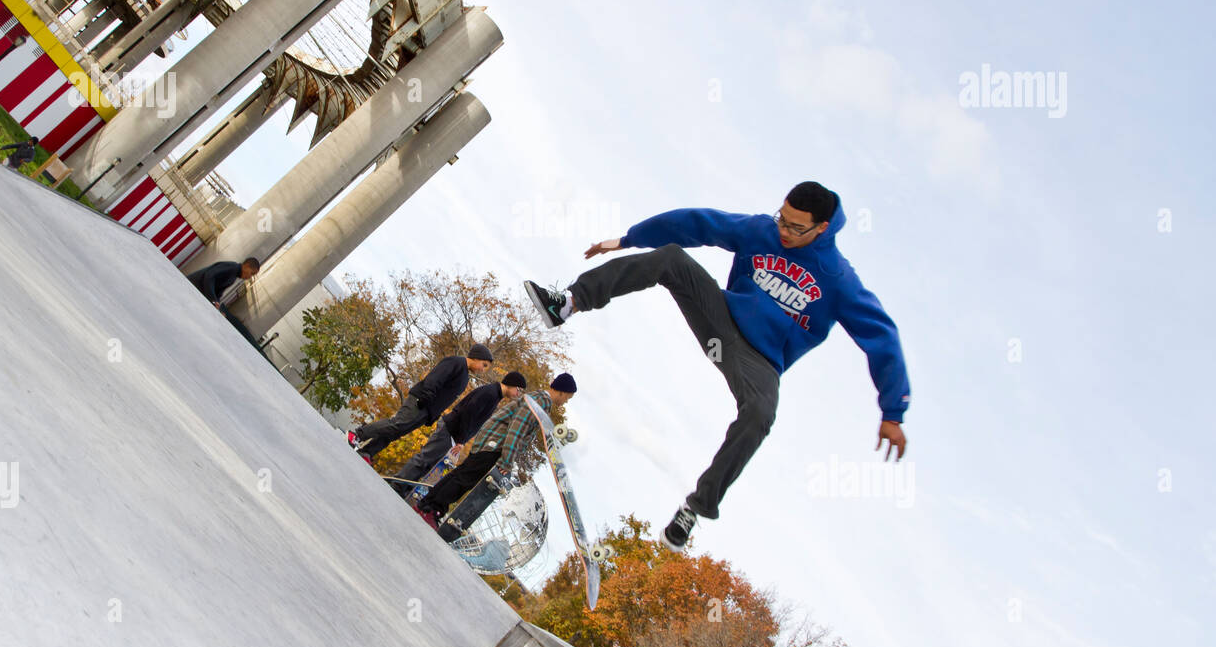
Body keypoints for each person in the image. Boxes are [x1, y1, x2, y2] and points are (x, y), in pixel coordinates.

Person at [522, 181, 910, 552]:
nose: (784, 232)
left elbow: (881, 335)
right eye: (782, 219)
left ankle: (695, 509)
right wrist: (628, 239)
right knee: (672, 258)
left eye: (795, 227)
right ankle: (568, 303)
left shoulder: (839, 281)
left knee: (760, 412)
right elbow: (697, 223)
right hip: (720, 319)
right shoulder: (761, 230)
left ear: (822, 228)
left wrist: (893, 411)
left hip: (758, 363)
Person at [416, 373, 577, 538]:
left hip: (490, 441)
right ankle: (432, 510)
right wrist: (507, 461)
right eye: (568, 398)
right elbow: (517, 429)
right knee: (464, 479)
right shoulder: (541, 401)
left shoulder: (537, 399)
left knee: (461, 474)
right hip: (496, 444)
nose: (565, 402)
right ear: (562, 392)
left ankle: (425, 505)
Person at [386, 371, 527, 497]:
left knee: (430, 464)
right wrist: (461, 440)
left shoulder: (495, 395)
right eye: (518, 390)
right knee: (425, 458)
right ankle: (397, 484)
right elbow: (468, 413)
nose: (518, 394)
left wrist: (462, 440)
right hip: (451, 429)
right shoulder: (490, 393)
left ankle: (404, 488)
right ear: (511, 384)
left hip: (454, 433)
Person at [349, 345, 494, 465]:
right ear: (476, 357)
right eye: (484, 364)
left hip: (427, 411)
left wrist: (433, 415)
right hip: (421, 401)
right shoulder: (456, 362)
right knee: (397, 424)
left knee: (397, 432)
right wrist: (425, 397)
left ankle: (367, 452)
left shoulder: (465, 376)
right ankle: (357, 435)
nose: (483, 369)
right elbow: (435, 378)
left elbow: (446, 398)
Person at [185, 257, 265, 351]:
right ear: (246, 265)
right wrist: (213, 301)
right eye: (251, 273)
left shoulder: (233, 276)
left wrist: (217, 306)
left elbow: (218, 292)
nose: (249, 277)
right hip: (190, 287)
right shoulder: (232, 268)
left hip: (193, 291)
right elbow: (209, 276)